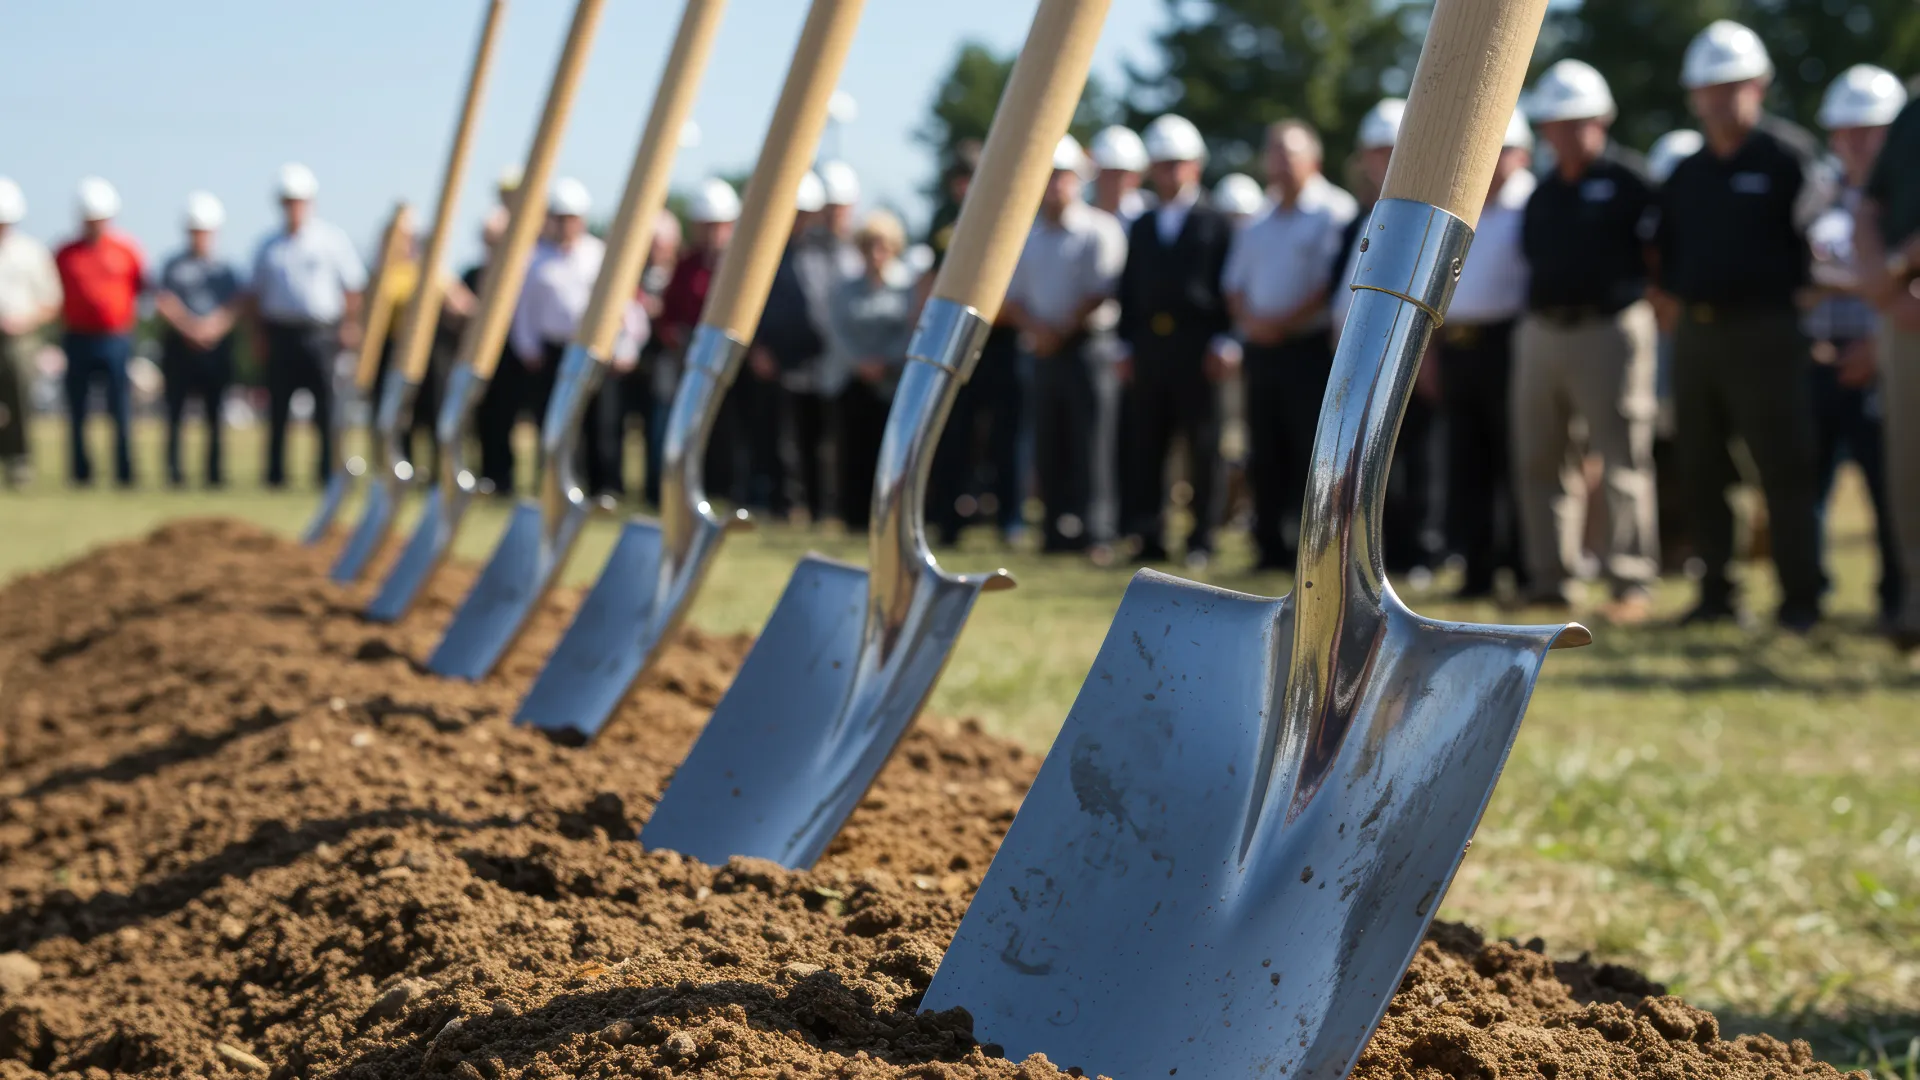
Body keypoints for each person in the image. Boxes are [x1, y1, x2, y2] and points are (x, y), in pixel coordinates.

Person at [1657, 20, 1832, 630]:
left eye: (1732, 85)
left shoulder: (1788, 157)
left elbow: (1822, 243)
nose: (1720, 97)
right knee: (1702, 468)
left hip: (1768, 332)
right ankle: (1716, 596)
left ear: (1759, 85)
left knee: (1783, 467)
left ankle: (1800, 599)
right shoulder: (1687, 172)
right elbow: (1665, 256)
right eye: (1708, 87)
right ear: (1692, 96)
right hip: (1698, 335)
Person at [1511, 59, 1661, 619]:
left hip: (1610, 328)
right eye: (1554, 122)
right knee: (1541, 458)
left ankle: (1630, 580)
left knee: (1621, 454)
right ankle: (1551, 578)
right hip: (1543, 330)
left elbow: (1659, 252)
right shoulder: (1543, 191)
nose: (1565, 132)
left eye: (1577, 121)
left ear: (1603, 120)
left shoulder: (1631, 182)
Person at [1225, 119, 1358, 574]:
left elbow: (1331, 283)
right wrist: (1253, 324)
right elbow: (1234, 284)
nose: (1280, 160)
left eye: (1290, 151)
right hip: (1262, 350)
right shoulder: (1258, 218)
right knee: (1264, 449)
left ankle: (1313, 553)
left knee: (1311, 451)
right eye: (1274, 150)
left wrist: (1280, 324)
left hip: (1308, 350)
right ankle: (1268, 547)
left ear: (1314, 159)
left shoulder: (1334, 211)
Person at [1805, 65, 1908, 631]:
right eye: (1843, 131)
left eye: (1867, 130)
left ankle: (1897, 599)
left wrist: (1875, 345)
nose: (1854, 142)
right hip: (1820, 356)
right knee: (1809, 485)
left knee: (1890, 486)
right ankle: (1808, 598)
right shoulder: (1818, 191)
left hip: (1883, 357)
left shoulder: (1904, 197)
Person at [1116, 114, 1234, 566]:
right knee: (1145, 441)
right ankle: (1147, 533)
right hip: (1149, 347)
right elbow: (1128, 288)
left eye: (1178, 163)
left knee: (1203, 444)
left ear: (1196, 166)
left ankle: (1202, 537)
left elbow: (1227, 286)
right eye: (1162, 163)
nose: (1170, 172)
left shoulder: (1215, 222)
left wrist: (1226, 338)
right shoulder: (1142, 224)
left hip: (1198, 346)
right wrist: (1125, 344)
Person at [1006, 135, 1126, 554]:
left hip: (1088, 348)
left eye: (1062, 176)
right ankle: (1054, 529)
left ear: (1078, 180)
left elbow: (1103, 288)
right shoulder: (1030, 236)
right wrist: (1039, 331)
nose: (1055, 186)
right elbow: (1014, 296)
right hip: (1043, 350)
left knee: (1093, 441)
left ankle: (1097, 530)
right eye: (1048, 177)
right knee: (1048, 440)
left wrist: (1057, 329)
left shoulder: (1100, 227)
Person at [1333, 98, 1438, 577]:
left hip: (1411, 360)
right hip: (1357, 366)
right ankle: (1378, 558)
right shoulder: (1358, 218)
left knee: (1415, 463)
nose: (1386, 162)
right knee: (1370, 469)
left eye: (1393, 150)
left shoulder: (1427, 219)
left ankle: (1420, 553)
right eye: (1377, 152)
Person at [1437, 110, 1534, 600]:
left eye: (1503, 151)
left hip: (1509, 341)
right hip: (1458, 343)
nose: (1493, 162)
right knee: (1467, 462)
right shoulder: (1464, 203)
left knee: (1515, 460)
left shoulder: (1531, 204)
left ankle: (1519, 565)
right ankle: (1475, 569)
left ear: (1522, 155)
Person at [248, 163, 367, 490]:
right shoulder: (267, 246)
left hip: (320, 333)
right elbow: (255, 295)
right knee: (278, 408)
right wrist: (258, 335)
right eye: (288, 201)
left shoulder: (331, 240)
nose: (294, 208)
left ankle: (326, 473)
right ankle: (275, 474)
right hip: (281, 333)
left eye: (298, 201)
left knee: (325, 407)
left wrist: (349, 325)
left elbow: (352, 287)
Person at [1855, 79, 1920, 651]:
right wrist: (1886, 290)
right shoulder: (1911, 114)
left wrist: (1896, 267)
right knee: (1908, 464)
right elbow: (1871, 206)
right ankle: (1915, 604)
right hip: (1905, 313)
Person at [492, 178, 606, 495]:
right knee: (550, 418)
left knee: (594, 420)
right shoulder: (534, 258)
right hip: (550, 351)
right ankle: (553, 479)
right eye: (559, 218)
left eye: (571, 219)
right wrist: (527, 346)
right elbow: (522, 309)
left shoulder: (596, 254)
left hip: (590, 348)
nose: (565, 225)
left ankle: (597, 484)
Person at [748, 171, 833, 519]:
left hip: (817, 357)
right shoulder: (764, 250)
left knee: (816, 435)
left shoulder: (823, 250)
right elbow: (752, 303)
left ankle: (817, 504)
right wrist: (758, 348)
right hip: (776, 357)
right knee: (780, 436)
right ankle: (782, 502)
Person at [54, 177, 144, 488]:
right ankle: (80, 474)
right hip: (77, 338)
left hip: (115, 339)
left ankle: (124, 473)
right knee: (77, 409)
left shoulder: (127, 250)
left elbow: (142, 288)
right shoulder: (65, 253)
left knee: (119, 407)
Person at [1645, 128, 1706, 575]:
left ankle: (1696, 546)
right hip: (1656, 347)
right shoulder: (1651, 224)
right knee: (1659, 452)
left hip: (1699, 346)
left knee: (1700, 453)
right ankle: (1669, 548)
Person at [827, 210, 913, 530]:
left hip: (891, 382)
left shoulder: (906, 289)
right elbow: (837, 331)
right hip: (853, 380)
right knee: (853, 449)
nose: (876, 254)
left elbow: (910, 330)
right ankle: (853, 515)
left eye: (883, 246)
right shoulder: (845, 289)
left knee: (888, 451)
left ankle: (887, 514)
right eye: (870, 247)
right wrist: (861, 362)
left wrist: (885, 361)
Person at [154, 192, 243, 488]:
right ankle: (174, 473)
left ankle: (214, 474)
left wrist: (213, 328)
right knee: (175, 413)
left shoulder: (226, 269)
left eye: (204, 232)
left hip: (215, 349)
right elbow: (164, 300)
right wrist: (190, 327)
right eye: (195, 232)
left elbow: (236, 303)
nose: (199, 237)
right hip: (180, 347)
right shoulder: (172, 265)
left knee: (215, 414)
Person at [658, 178, 739, 502]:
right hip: (690, 357)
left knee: (730, 426)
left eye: (718, 226)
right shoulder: (686, 265)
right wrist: (674, 335)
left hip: (731, 357)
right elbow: (668, 314)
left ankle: (731, 486)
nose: (713, 234)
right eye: (706, 226)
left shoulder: (740, 265)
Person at [0, 177, 61, 487]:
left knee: (20, 400)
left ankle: (20, 462)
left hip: (20, 339)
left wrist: (25, 320)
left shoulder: (32, 252)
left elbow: (52, 301)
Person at [1089, 125, 1153, 226]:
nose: (1114, 182)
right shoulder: (1083, 214)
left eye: (1121, 174)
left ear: (1138, 176)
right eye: (1109, 174)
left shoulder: (1149, 210)